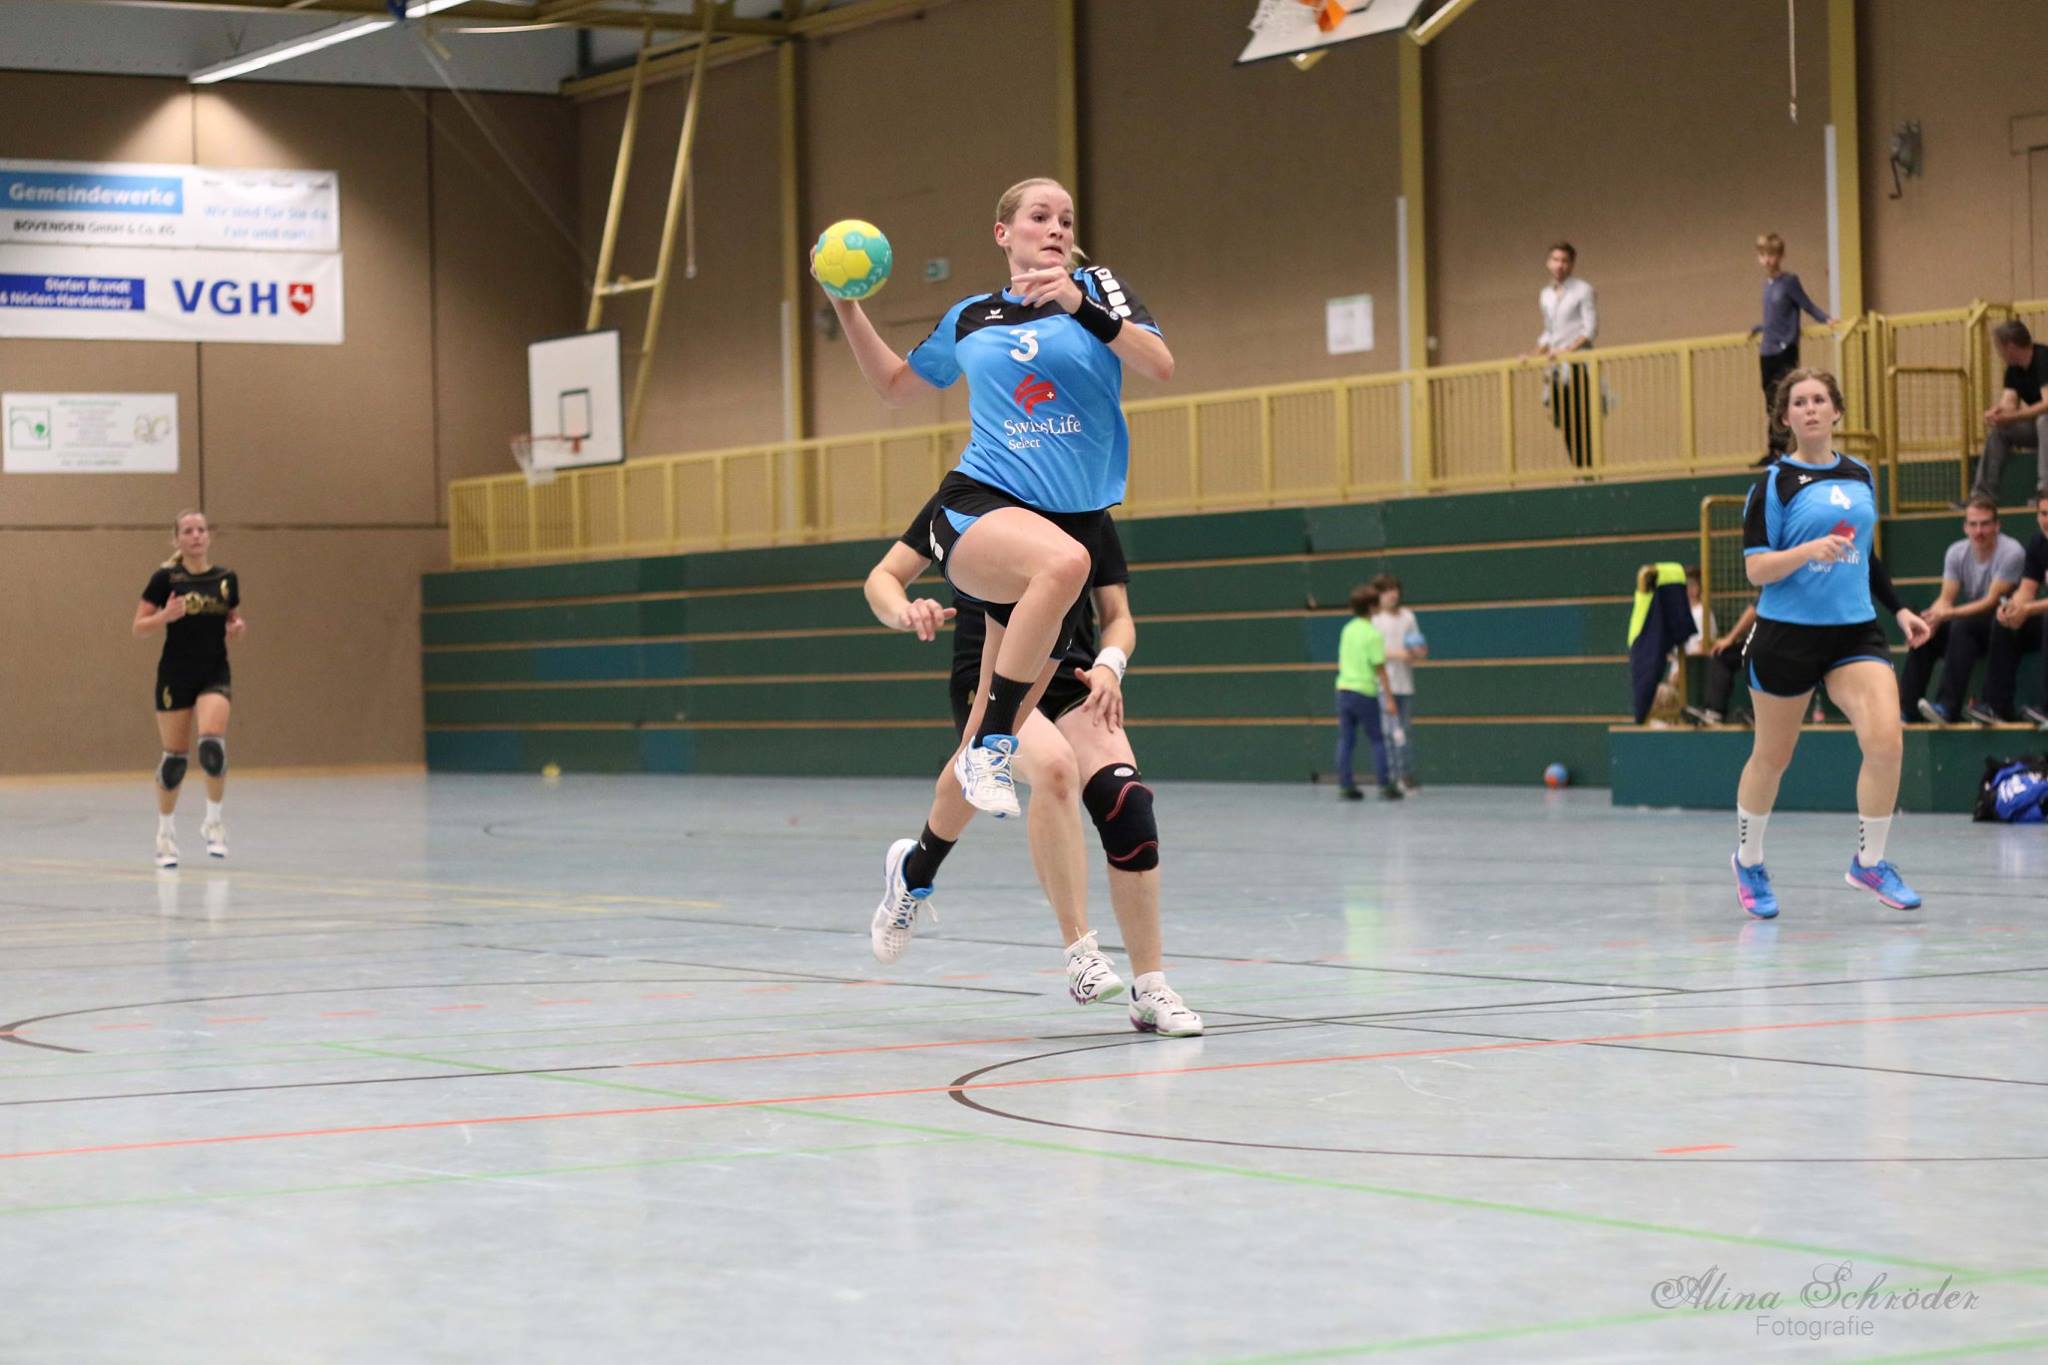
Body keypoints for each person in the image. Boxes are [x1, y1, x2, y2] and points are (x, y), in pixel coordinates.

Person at [819, 177, 1173, 824]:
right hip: (980, 501)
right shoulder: (971, 317)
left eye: (1066, 218)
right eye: (1041, 216)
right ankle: (993, 746)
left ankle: (917, 863)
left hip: (1072, 521)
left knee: (982, 732)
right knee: (1066, 567)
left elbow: (1159, 363)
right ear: (1004, 234)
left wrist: (1077, 305)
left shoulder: (1097, 289)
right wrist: (846, 309)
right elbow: (896, 387)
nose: (1057, 228)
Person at [859, 501, 1202, 1036]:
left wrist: (1111, 665)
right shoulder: (974, 496)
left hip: (1071, 678)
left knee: (1127, 804)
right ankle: (1080, 952)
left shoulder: (1087, 504)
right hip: (992, 679)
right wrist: (904, 610)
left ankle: (1151, 989)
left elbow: (1117, 617)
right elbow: (882, 577)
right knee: (1055, 768)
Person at [1730, 369, 1932, 920]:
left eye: (1820, 399)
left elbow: (1863, 552)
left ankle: (1870, 862)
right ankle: (1748, 861)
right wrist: (1806, 551)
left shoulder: (1860, 473)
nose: (1811, 408)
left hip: (1853, 632)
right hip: (1786, 636)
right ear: (1786, 418)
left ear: (1837, 411)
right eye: (1800, 402)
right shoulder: (1773, 484)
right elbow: (1756, 569)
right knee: (1773, 757)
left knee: (1886, 742)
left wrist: (1899, 608)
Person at [131, 510, 245, 867]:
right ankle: (165, 834)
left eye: (201, 530)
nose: (196, 535)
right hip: (175, 675)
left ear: (208, 536)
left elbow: (231, 617)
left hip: (213, 671)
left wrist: (236, 626)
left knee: (212, 745)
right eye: (188, 531)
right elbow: (139, 626)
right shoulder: (165, 579)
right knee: (175, 761)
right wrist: (164, 616)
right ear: (177, 539)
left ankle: (214, 822)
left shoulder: (226, 579)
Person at [1896, 497, 2024, 725]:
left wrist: (1947, 614)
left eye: (1985, 524)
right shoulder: (1956, 552)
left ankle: (1947, 707)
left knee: (1961, 626)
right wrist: (1930, 620)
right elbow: (1945, 599)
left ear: (1997, 526)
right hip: (1968, 627)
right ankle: (1907, 710)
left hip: (2002, 628)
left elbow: (1991, 602)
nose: (1979, 531)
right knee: (1926, 633)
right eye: (1973, 524)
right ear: (1965, 527)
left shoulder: (2012, 552)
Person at [1748, 232, 1836, 462]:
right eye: (1763, 255)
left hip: (1784, 349)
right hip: (1767, 350)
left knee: (1783, 397)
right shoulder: (1767, 285)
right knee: (1770, 400)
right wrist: (1760, 328)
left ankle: (1784, 449)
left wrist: (1825, 319)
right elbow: (1773, 317)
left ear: (1780, 256)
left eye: (1772, 254)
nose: (1768, 260)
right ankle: (1773, 449)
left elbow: (1807, 304)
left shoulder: (1789, 282)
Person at [1979, 490, 2048, 727]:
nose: (2046, 520)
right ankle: (1996, 707)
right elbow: (2027, 589)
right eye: (2043, 513)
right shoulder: (2038, 543)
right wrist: (2012, 607)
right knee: (2003, 622)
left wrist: (2028, 609)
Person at [1526, 241, 1597, 470]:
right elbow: (1549, 333)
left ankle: (1588, 470)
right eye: (1555, 260)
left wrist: (1567, 351)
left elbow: (1590, 330)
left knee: (1580, 419)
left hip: (1577, 364)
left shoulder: (1583, 290)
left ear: (1572, 264)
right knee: (1563, 420)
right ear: (1548, 263)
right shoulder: (1545, 294)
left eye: (1565, 261)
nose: (1560, 265)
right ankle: (1579, 469)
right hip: (1556, 368)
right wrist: (1531, 355)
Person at [1335, 584, 1400, 801]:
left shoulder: (1347, 629)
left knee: (1346, 740)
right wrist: (1389, 698)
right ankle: (1384, 784)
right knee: (1377, 740)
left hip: (1343, 690)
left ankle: (1345, 785)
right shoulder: (1373, 635)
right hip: (1364, 692)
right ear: (1372, 608)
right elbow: (1380, 668)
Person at [1973, 321, 2048, 504]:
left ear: (2010, 346)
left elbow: (2047, 404)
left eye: (1999, 348)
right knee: (2001, 430)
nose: (1998, 353)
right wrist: (1998, 414)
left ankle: (2045, 491)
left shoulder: (2043, 358)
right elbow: (2009, 403)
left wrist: (2012, 416)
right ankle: (1982, 496)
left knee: (2044, 420)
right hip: (2039, 428)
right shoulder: (2013, 369)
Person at [1369, 573, 1424, 790]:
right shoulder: (1374, 621)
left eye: (1394, 589)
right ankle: (1392, 776)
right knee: (1390, 732)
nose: (1391, 594)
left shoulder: (1408, 617)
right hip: (1384, 685)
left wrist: (1418, 653)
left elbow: (1417, 645)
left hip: (1405, 684)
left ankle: (1406, 774)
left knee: (1405, 731)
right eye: (1385, 591)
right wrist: (1397, 654)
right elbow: (1373, 652)